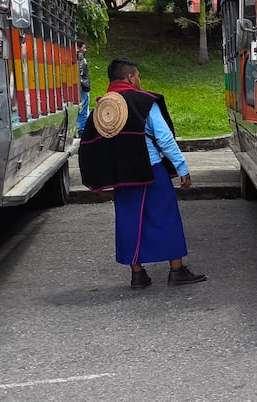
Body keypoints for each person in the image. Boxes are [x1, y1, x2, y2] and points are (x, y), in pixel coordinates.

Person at [77, 58, 207, 290]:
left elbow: (91, 145)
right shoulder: (143, 102)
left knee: (128, 219)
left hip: (121, 176)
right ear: (130, 77)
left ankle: (137, 275)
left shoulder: (103, 107)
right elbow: (164, 139)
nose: (139, 81)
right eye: (137, 76)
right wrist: (181, 167)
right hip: (151, 170)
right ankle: (176, 270)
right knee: (166, 217)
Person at [76, 41, 91, 135]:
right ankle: (82, 129)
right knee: (84, 108)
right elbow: (80, 72)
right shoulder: (80, 57)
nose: (85, 50)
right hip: (83, 87)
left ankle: (82, 128)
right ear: (78, 48)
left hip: (82, 86)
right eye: (83, 48)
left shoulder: (77, 56)